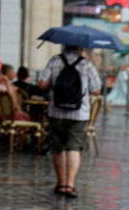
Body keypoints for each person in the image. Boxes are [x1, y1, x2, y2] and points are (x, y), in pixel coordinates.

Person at [36, 45, 102, 199]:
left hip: (56, 111)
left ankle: (60, 183)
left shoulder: (54, 61)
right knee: (74, 147)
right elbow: (96, 89)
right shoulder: (86, 64)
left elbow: (42, 85)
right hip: (79, 113)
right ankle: (69, 185)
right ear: (81, 49)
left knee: (58, 147)